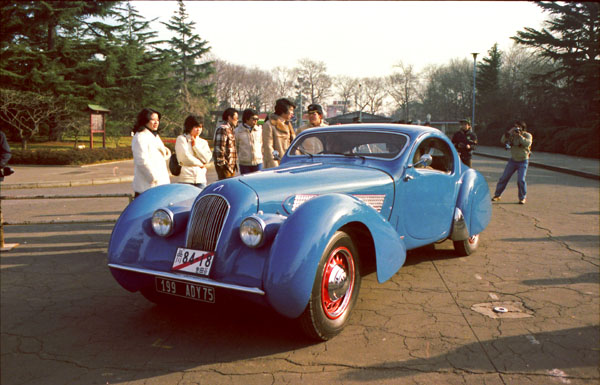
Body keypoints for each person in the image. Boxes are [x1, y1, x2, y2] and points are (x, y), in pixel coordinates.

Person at [131, 108, 171, 197]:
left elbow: (160, 154)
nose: (156, 122)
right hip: (148, 186)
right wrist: (154, 178)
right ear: (145, 120)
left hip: (160, 185)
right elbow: (141, 161)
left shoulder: (155, 135)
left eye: (157, 120)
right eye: (153, 120)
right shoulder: (140, 137)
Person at [492, 121, 533, 204]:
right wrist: (508, 133)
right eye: (515, 127)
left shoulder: (527, 135)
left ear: (522, 128)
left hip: (523, 161)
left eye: (518, 127)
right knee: (504, 178)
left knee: (521, 180)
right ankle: (497, 195)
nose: (516, 129)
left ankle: (522, 198)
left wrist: (520, 136)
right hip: (513, 160)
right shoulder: (512, 135)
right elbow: (503, 140)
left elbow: (527, 143)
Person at [175, 114, 212, 189]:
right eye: (196, 127)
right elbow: (184, 158)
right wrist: (200, 164)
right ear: (189, 127)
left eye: (200, 127)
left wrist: (195, 146)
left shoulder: (203, 142)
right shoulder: (181, 139)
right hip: (186, 179)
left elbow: (207, 159)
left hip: (201, 179)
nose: (198, 129)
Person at [262, 98, 296, 169]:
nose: (292, 113)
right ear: (283, 110)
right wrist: (275, 164)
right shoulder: (269, 125)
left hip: (289, 163)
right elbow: (269, 147)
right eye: (291, 110)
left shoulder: (288, 124)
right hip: (277, 165)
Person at [235, 108, 263, 175]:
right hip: (244, 164)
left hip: (258, 162)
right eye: (253, 119)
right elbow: (236, 147)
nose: (256, 121)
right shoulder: (237, 131)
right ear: (246, 119)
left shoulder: (259, 130)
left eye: (257, 119)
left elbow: (262, 144)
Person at [213, 107, 238, 180]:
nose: (237, 120)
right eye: (236, 118)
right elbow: (219, 148)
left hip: (231, 166)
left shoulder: (231, 129)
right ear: (229, 118)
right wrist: (223, 165)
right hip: (225, 167)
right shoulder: (223, 129)